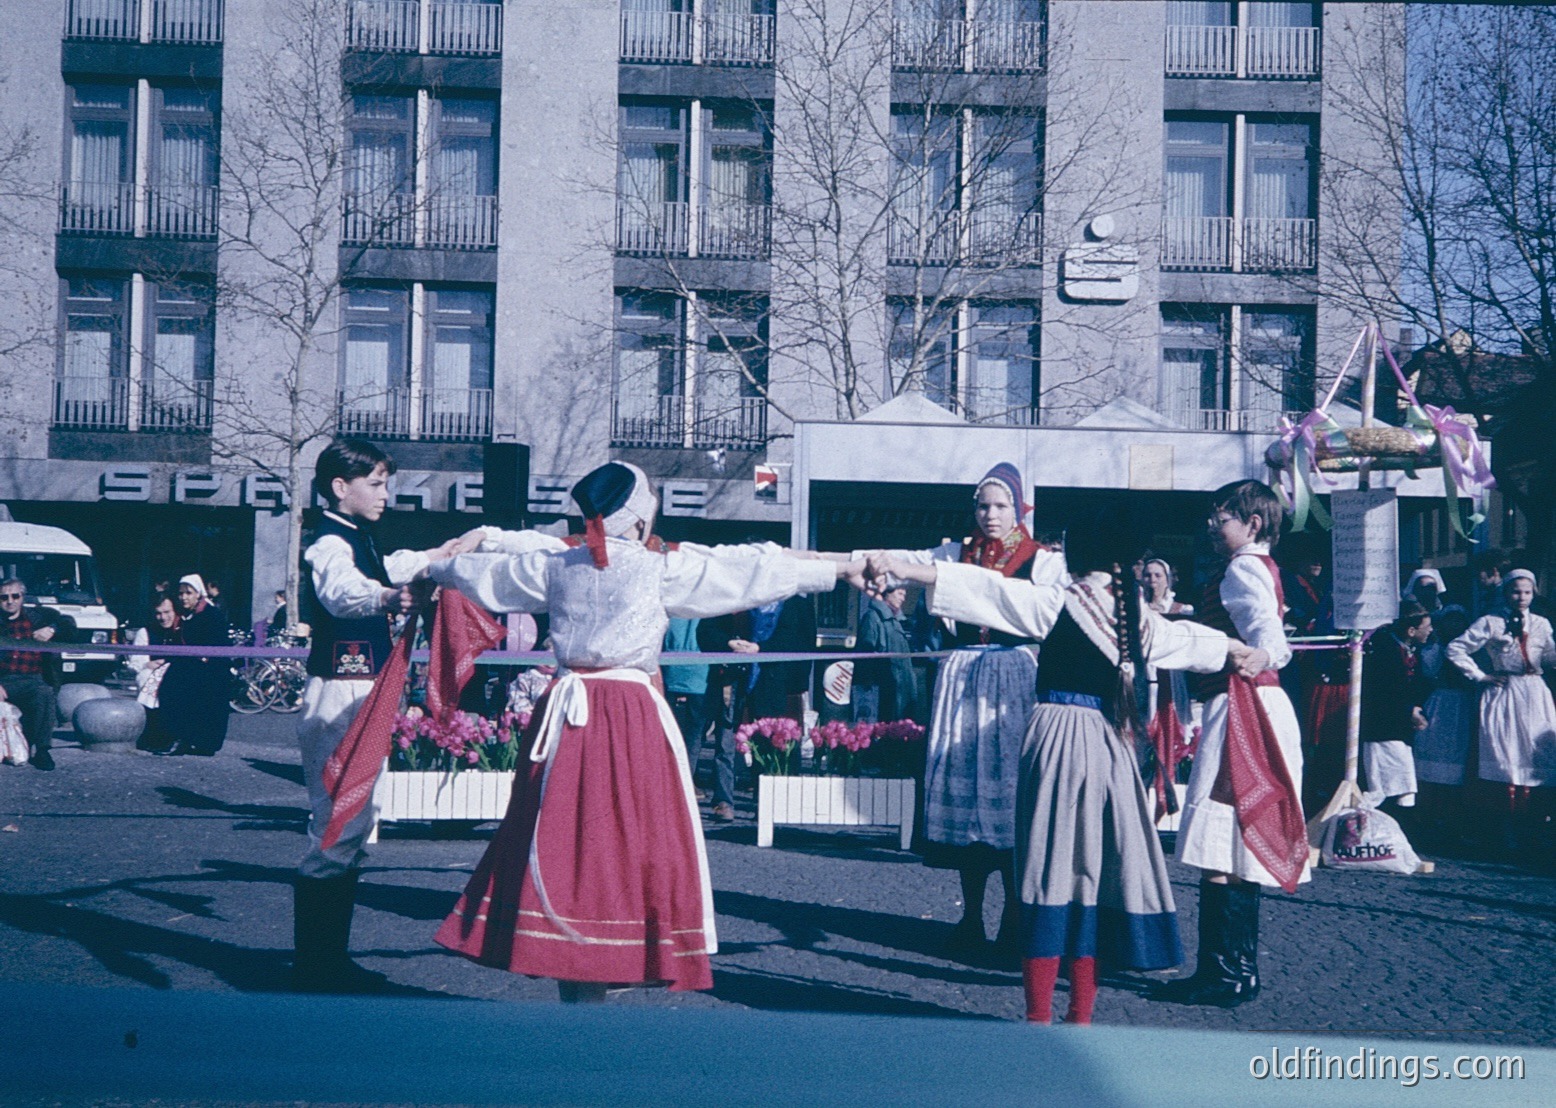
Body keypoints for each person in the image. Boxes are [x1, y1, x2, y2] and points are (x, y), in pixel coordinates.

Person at [427, 461, 860, 999]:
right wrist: (839, 570)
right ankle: (617, 950)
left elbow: (488, 573)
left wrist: (426, 565)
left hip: (568, 710)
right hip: (627, 714)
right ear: (638, 515)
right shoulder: (655, 569)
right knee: (632, 839)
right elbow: (742, 574)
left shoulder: (561, 563)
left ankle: (575, 959)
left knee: (566, 837)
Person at [869, 531, 1254, 1024]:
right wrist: (1236, 649)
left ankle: (1038, 1016)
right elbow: (1188, 641)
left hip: (1054, 737)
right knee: (1093, 873)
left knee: (1047, 872)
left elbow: (988, 592)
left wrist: (910, 568)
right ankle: (1081, 1014)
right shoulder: (1134, 617)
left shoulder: (1057, 602)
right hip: (1110, 743)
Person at [292, 437, 484, 993]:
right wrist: (384, 599)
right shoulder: (329, 542)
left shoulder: (357, 538)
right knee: (337, 819)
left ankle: (326, 958)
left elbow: (392, 565)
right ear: (339, 487)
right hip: (339, 691)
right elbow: (339, 591)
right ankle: (316, 962)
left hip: (361, 689)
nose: (384, 494)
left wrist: (441, 553)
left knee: (353, 817)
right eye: (374, 483)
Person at [852, 463, 1063, 958]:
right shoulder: (950, 553)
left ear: (1020, 509)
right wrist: (857, 563)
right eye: (983, 506)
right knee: (964, 800)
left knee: (1011, 798)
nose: (991, 515)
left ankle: (1014, 915)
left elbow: (1046, 615)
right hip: (962, 676)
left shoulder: (1043, 560)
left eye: (1001, 506)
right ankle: (970, 916)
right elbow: (899, 559)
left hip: (1013, 677)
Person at [1160, 479, 1309, 1008]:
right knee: (1235, 838)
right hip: (1253, 704)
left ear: (1254, 524)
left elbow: (1269, 635)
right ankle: (1236, 970)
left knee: (1222, 833)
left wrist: (1258, 655)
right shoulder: (1259, 567)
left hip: (1242, 706)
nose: (1211, 525)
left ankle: (1223, 972)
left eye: (1221, 517)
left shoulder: (1244, 567)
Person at [1446, 569, 1556, 854]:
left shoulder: (1542, 624)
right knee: (1504, 755)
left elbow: (1547, 656)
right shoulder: (1491, 622)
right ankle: (1499, 830)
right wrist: (1480, 675)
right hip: (1504, 693)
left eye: (1527, 592)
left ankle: (1532, 827)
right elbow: (1456, 648)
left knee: (1537, 755)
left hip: (1534, 694)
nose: (1521, 597)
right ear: (1506, 593)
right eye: (1516, 591)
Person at [1359, 602, 1434, 810]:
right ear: (1411, 630)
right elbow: (1383, 690)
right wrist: (1409, 709)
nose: (1431, 630)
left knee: (1405, 784)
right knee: (1387, 785)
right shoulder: (1384, 651)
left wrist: (1416, 707)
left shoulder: (1412, 650)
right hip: (1383, 730)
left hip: (1399, 729)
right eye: (1426, 626)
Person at [0, 579, 74, 772]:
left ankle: (42, 750)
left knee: (45, 693)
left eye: (15, 596)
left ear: (22, 597)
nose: (10, 601)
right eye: (4, 597)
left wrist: (52, 629)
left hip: (34, 679)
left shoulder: (39, 616)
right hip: (4, 680)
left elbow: (69, 623)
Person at [155, 575, 232, 757]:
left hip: (209, 670)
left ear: (199, 594)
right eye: (181, 593)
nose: (184, 597)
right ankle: (184, 739)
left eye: (189, 593)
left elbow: (216, 645)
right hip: (191, 666)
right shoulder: (188, 615)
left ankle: (187, 741)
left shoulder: (211, 614)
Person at [853, 584, 919, 724]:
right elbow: (865, 659)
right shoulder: (873, 618)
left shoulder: (896, 622)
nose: (903, 596)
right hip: (884, 694)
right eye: (899, 591)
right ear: (887, 592)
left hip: (900, 692)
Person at [661, 617, 710, 799]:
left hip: (670, 668)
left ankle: (672, 780)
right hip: (700, 673)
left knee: (669, 731)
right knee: (694, 734)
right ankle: (685, 781)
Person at [129, 595, 182, 754]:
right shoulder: (145, 632)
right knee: (147, 679)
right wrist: (148, 664)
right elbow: (136, 662)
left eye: (167, 612)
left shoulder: (182, 630)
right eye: (158, 613)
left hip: (177, 673)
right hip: (152, 674)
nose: (163, 617)